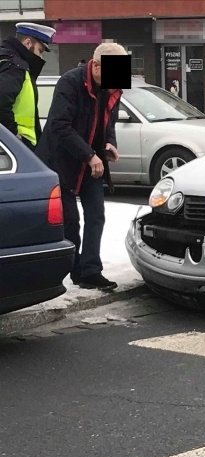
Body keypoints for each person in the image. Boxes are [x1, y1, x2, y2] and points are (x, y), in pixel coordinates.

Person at [36, 42, 128, 291]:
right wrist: (89, 155)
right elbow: (59, 126)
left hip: (92, 159)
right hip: (61, 160)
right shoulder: (70, 82)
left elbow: (110, 122)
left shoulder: (112, 88)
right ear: (96, 66)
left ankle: (90, 271)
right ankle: (73, 269)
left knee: (96, 214)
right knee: (71, 221)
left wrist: (109, 143)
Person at [0, 22, 56, 151]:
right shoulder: (15, 67)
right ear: (27, 43)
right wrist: (14, 137)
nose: (40, 56)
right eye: (40, 50)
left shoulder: (6, 61)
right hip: (15, 147)